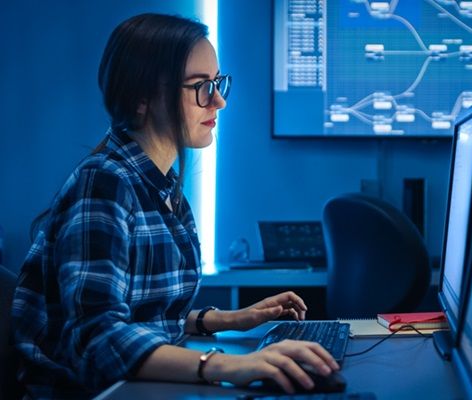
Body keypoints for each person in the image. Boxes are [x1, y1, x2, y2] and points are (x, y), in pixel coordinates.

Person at [11, 13, 338, 399]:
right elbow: (96, 338)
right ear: (141, 98)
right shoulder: (104, 183)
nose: (218, 100)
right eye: (200, 86)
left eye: (217, 83)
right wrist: (229, 365)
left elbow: (145, 316)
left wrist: (230, 319)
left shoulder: (163, 188)